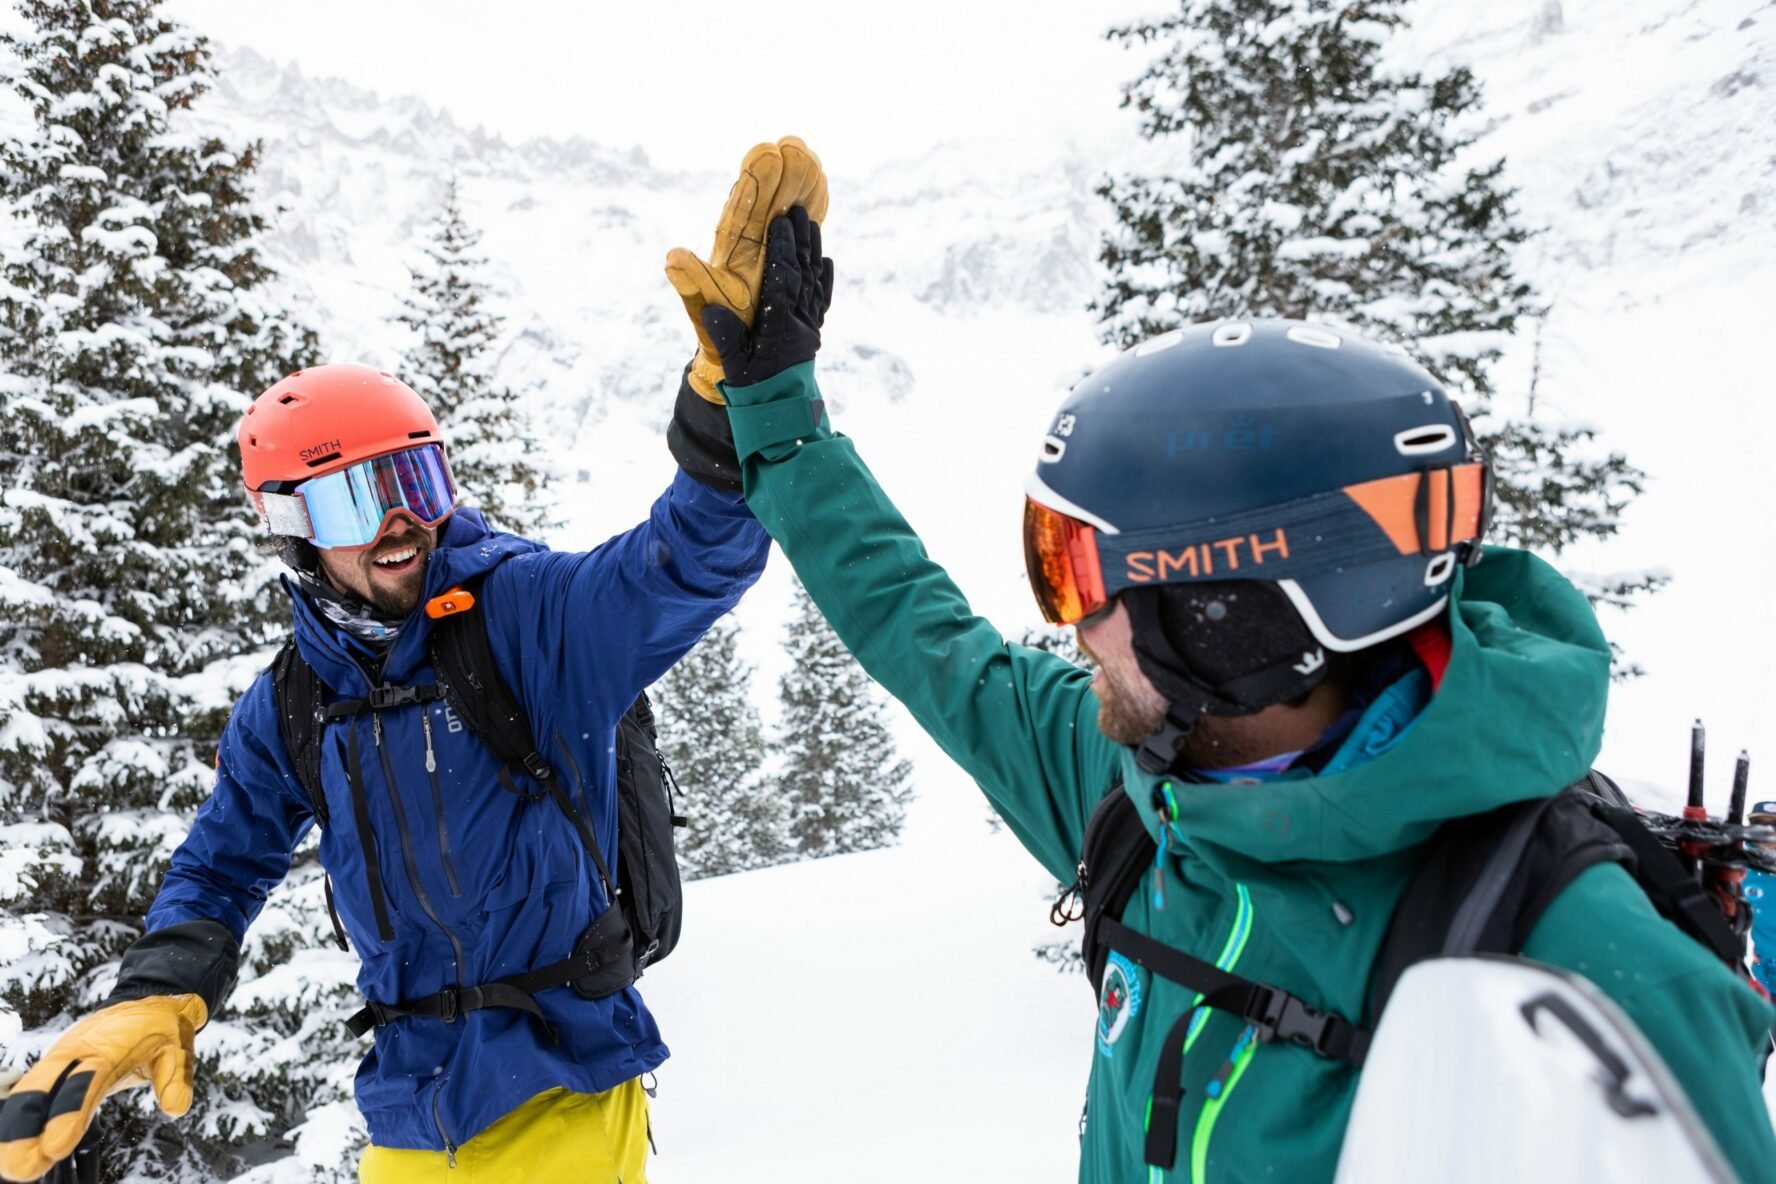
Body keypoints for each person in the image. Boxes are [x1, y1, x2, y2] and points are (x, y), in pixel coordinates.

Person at [689, 204, 1776, 1181]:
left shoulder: (1580, 970)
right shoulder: (1149, 798)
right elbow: (925, 635)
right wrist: (775, 414)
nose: (1072, 622)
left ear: (1236, 616)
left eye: (1086, 574)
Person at [0, 137, 826, 1184]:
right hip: (409, 1102)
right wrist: (161, 986)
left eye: (415, 478)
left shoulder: (522, 616)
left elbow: (688, 559)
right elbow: (226, 855)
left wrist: (729, 397)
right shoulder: (296, 704)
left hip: (564, 1080)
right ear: (296, 533)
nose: (397, 518)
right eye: (354, 497)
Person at [1745, 801, 1776, 999]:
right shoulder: (1740, 871)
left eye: (1773, 826)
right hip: (1762, 981)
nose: (1767, 833)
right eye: (1760, 825)